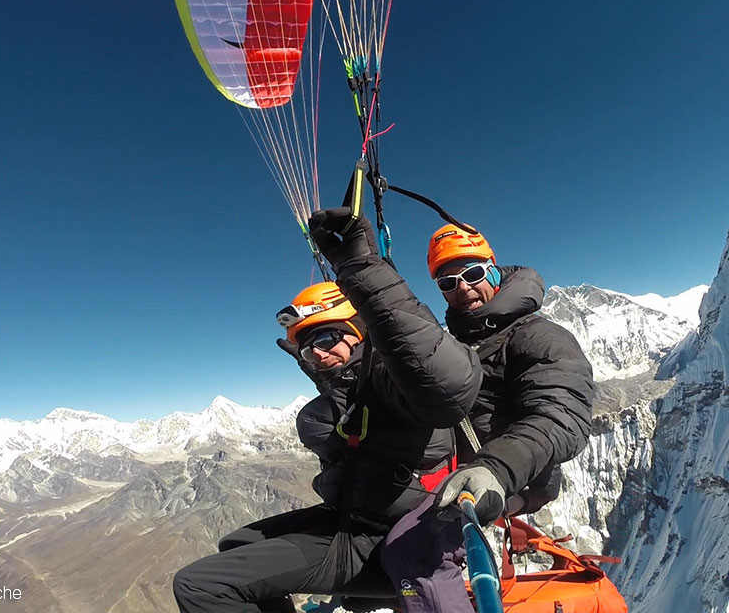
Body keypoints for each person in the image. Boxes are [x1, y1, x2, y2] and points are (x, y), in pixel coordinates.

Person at [173, 209, 482, 613]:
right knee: (236, 543)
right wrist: (319, 364)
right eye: (307, 348)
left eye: (328, 336)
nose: (317, 352)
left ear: (358, 334)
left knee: (200, 586)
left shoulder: (394, 381)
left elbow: (442, 383)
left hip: (388, 540)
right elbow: (349, 396)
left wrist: (363, 271)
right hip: (353, 523)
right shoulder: (348, 386)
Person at [379, 224, 596, 613]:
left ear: (494, 270)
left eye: (473, 274)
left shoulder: (538, 336)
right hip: (469, 468)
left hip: (516, 475)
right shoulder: (460, 344)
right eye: (448, 282)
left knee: (411, 552)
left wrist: (496, 469)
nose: (462, 288)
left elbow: (562, 414)